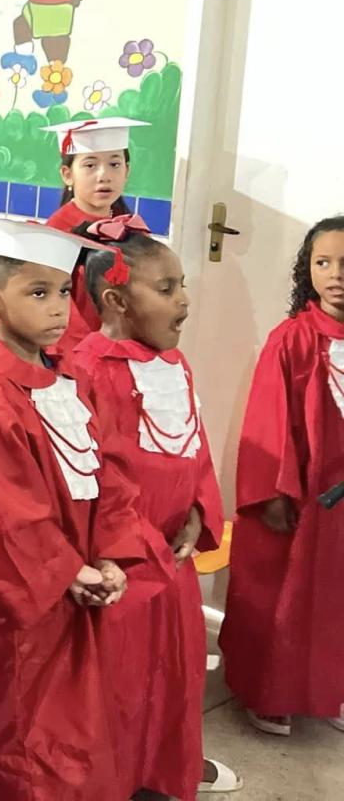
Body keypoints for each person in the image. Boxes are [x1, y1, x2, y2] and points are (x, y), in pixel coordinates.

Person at [0, 214, 168, 801]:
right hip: (24, 607)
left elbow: (109, 470)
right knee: (21, 740)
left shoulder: (66, 375)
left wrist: (115, 555)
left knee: (77, 730)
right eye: (38, 293)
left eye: (64, 292)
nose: (58, 309)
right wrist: (69, 571)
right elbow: (2, 510)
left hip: (80, 590)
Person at [68, 220, 238, 797]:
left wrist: (197, 508)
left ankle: (160, 773)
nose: (184, 300)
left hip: (175, 561)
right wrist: (137, 541)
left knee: (173, 676)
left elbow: (193, 444)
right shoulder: (86, 371)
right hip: (125, 566)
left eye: (182, 284)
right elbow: (94, 474)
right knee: (119, 685)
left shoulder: (176, 364)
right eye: (166, 288)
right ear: (116, 299)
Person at [222, 215, 344, 738]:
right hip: (300, 494)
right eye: (323, 262)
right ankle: (270, 693)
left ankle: (330, 690)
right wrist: (274, 491)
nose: (335, 274)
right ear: (307, 270)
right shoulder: (292, 340)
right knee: (282, 593)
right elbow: (267, 424)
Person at [43, 118, 150, 356]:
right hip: (84, 351)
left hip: (127, 345)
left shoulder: (130, 225)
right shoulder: (56, 232)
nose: (104, 175)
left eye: (114, 164)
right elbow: (56, 304)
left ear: (127, 171)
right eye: (90, 166)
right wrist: (87, 353)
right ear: (67, 174)